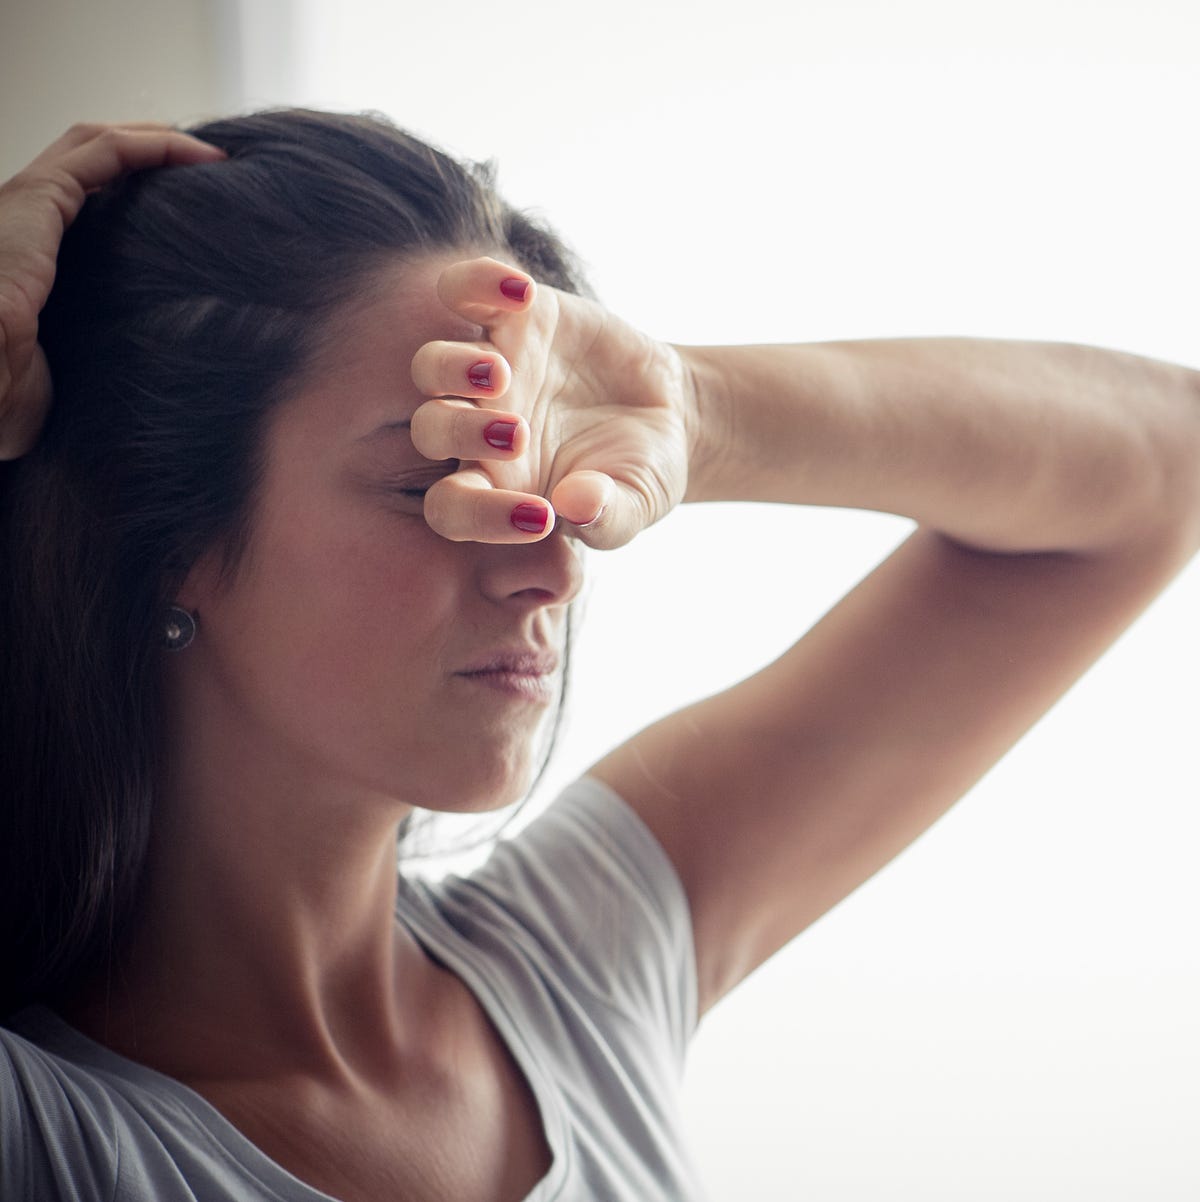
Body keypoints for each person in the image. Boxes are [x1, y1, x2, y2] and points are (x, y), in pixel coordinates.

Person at [0, 111, 1197, 1202]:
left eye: (545, 487)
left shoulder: (576, 963)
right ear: (163, 530)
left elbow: (1163, 468)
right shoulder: (45, 1135)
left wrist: (695, 408)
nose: (552, 562)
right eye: (432, 484)